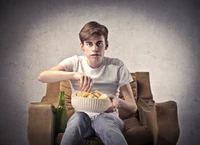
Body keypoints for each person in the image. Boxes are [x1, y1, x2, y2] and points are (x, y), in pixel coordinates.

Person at [38, 21, 137, 145]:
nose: (94, 49)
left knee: (103, 120)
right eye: (89, 44)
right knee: (79, 117)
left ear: (106, 45)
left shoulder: (117, 65)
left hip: (109, 117)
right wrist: (74, 74)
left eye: (99, 43)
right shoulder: (74, 62)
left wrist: (118, 101)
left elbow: (133, 107)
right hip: (82, 117)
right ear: (82, 47)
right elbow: (42, 77)